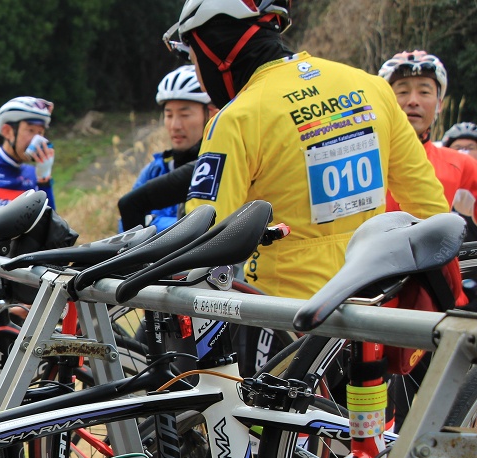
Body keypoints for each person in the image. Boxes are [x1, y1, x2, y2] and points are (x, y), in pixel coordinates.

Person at [165, 0, 450, 300]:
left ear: (215, 52)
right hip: (374, 303)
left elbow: (203, 240)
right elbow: (430, 208)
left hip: (285, 318)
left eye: (195, 60)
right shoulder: (371, 87)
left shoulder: (237, 118)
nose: (199, 74)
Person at [378, 52, 477, 238]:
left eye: (424, 92)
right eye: (402, 92)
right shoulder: (364, 159)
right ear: (385, 102)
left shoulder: (460, 164)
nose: (413, 101)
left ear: (439, 104)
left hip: (438, 264)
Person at [118, 65, 216, 232]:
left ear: (211, 114)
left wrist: (152, 223)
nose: (175, 125)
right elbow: (124, 228)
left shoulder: (217, 168)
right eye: (169, 115)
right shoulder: (155, 170)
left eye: (185, 115)